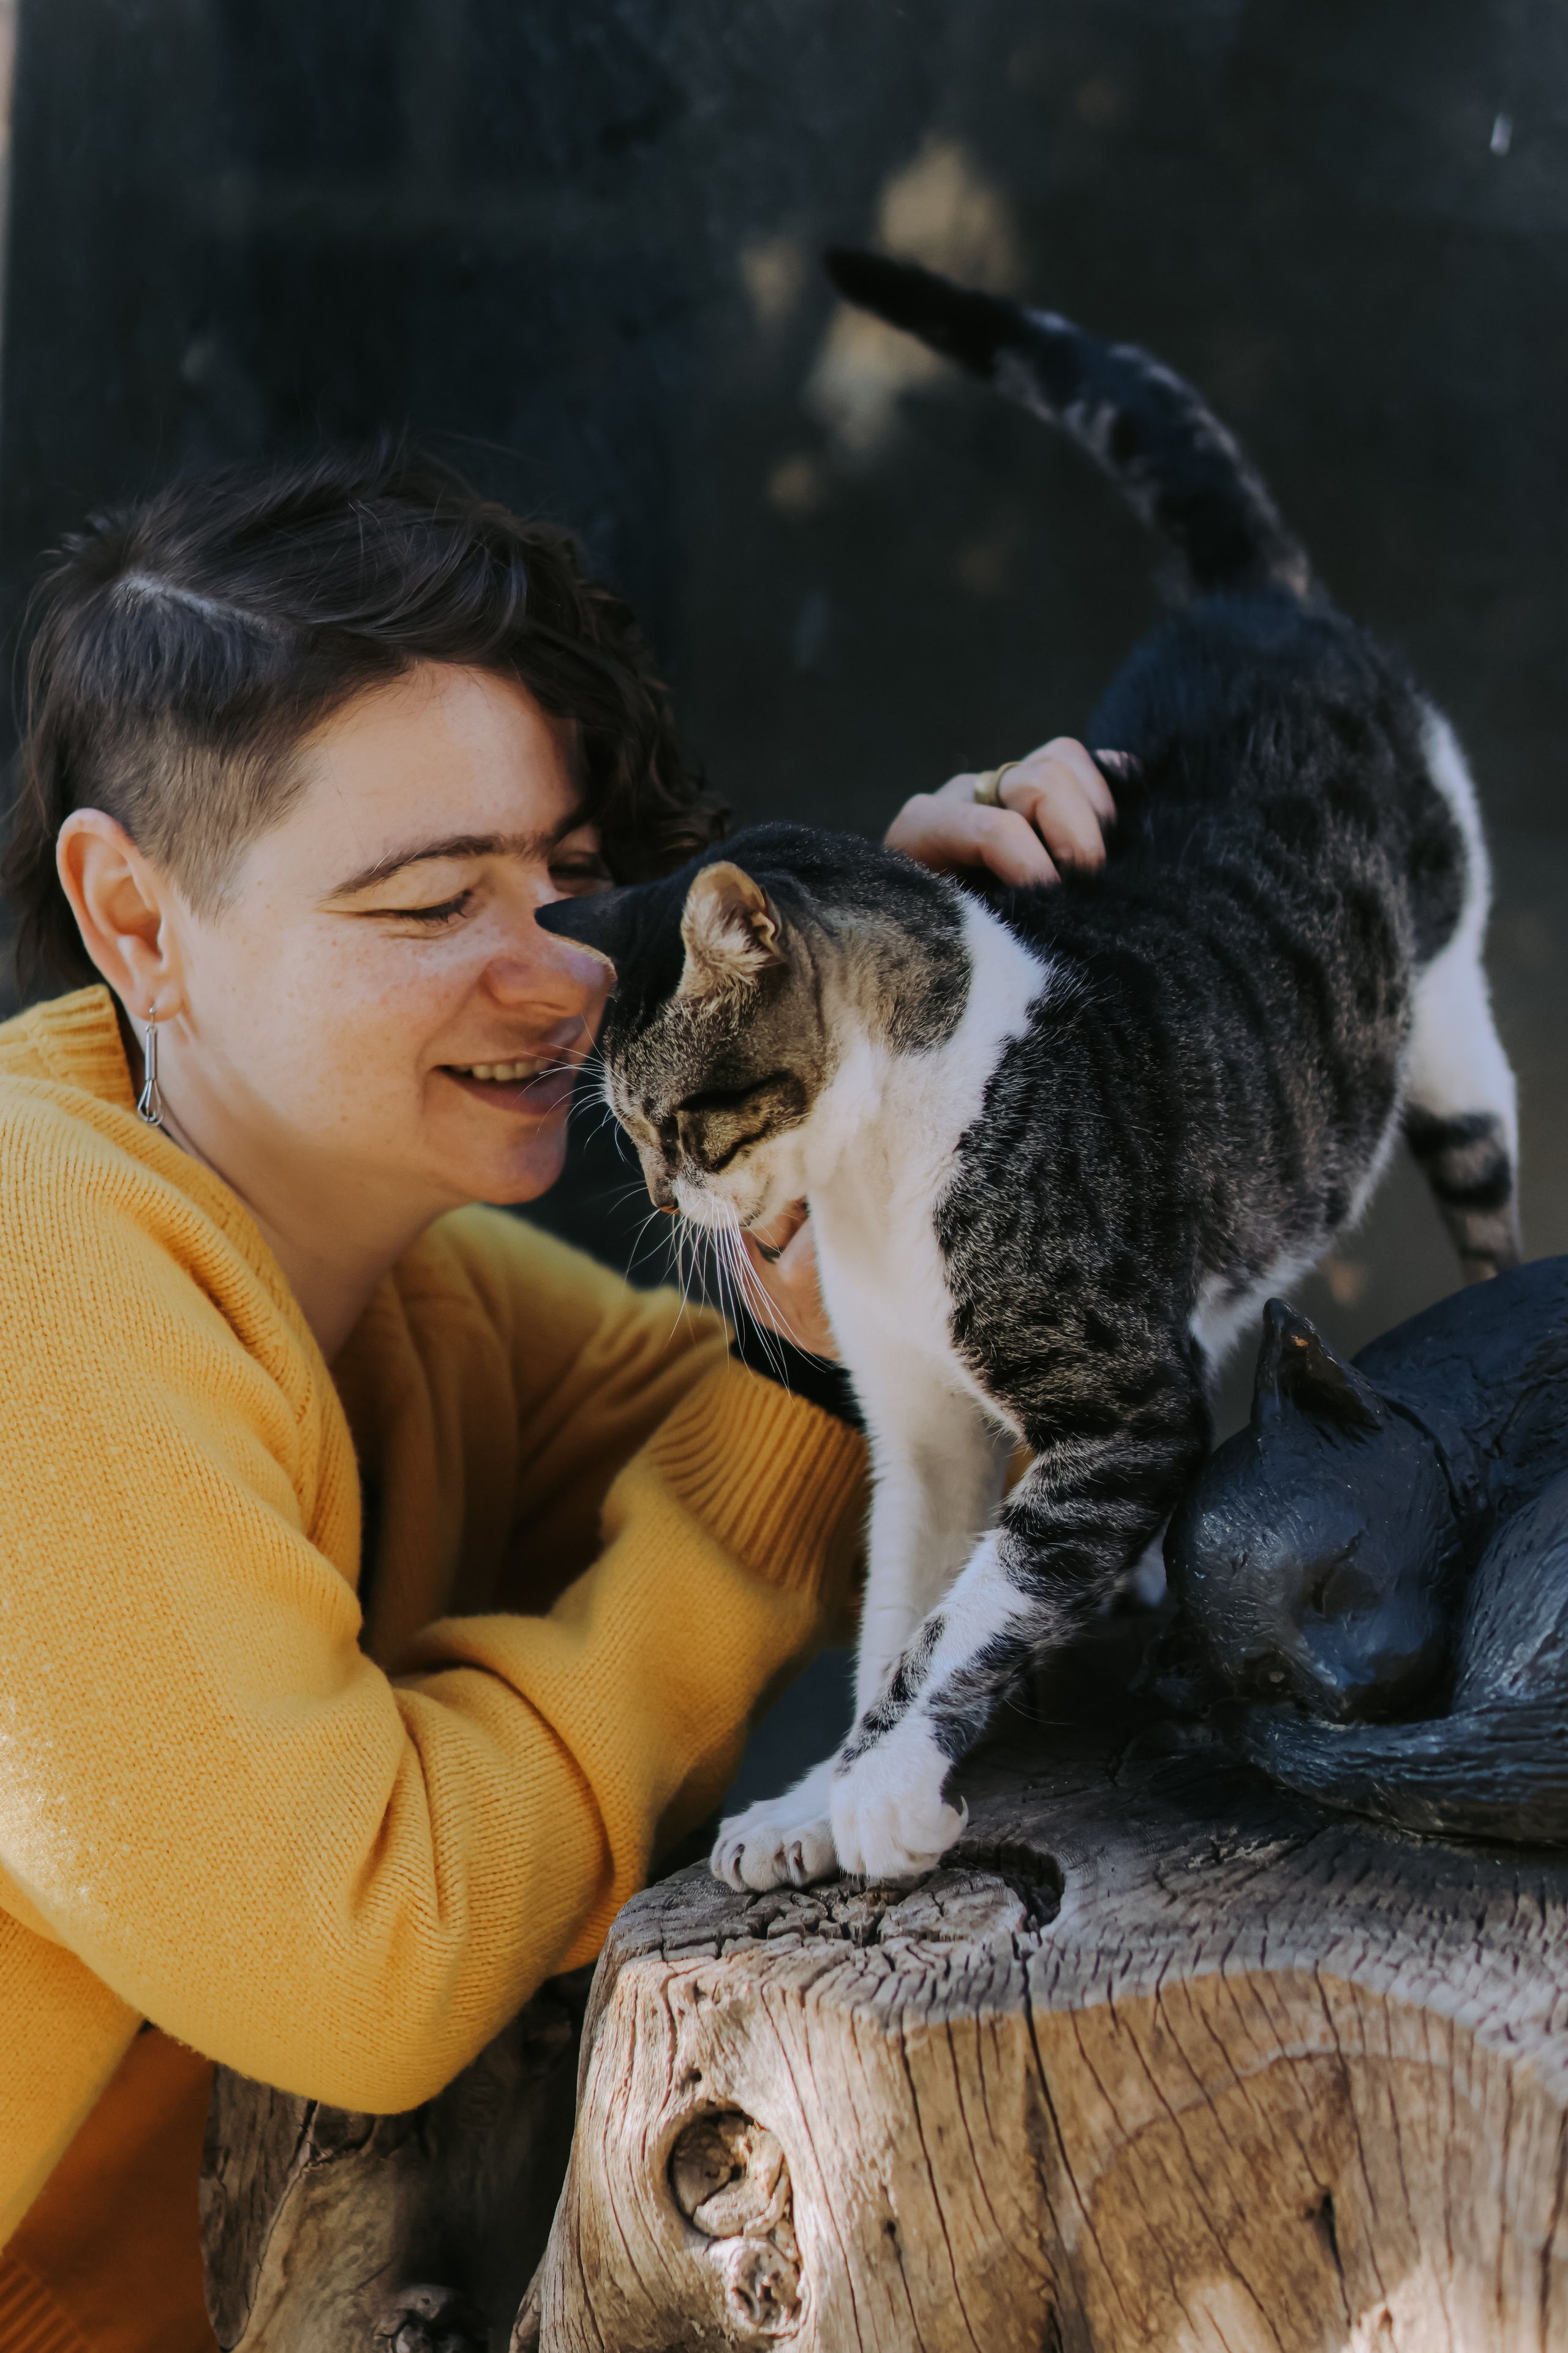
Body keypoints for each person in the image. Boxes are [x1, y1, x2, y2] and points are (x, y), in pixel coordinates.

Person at [0, 447, 1114, 2353]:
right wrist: (756, 1449)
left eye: (576, 883)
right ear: (140, 920)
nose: (567, 979)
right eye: (435, 903)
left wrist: (918, 1068)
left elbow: (950, 1488)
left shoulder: (413, 1288)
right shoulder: (41, 1261)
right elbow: (375, 1948)